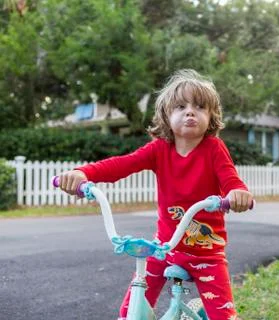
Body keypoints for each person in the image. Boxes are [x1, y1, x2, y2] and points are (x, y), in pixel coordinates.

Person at [58, 69, 253, 320]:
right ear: (166, 115)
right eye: (181, 106)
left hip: (207, 253)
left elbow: (230, 179)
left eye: (200, 107)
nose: (190, 112)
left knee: (222, 315)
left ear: (211, 116)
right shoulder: (160, 149)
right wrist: (83, 173)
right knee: (130, 311)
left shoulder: (213, 148)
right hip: (164, 248)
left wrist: (238, 193)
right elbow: (122, 164)